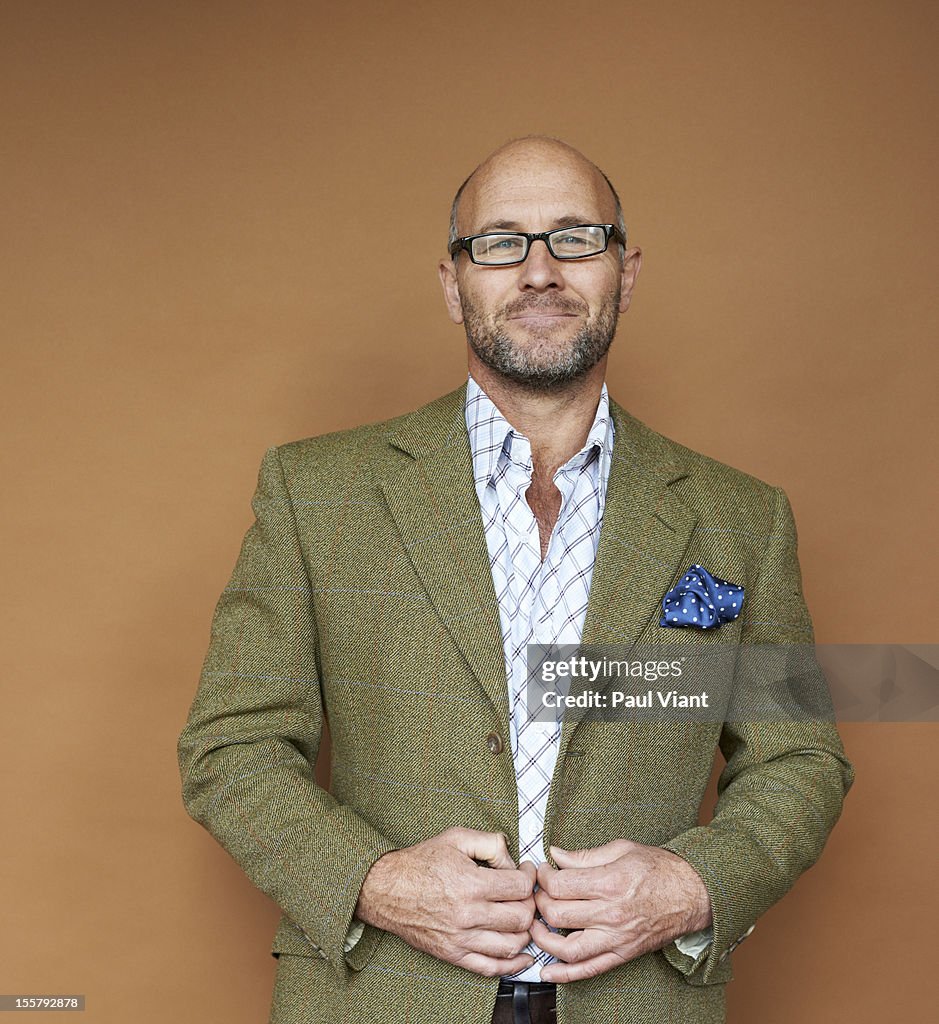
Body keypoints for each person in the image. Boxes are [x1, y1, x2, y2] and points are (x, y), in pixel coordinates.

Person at [177, 136, 854, 1024]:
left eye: (575, 237)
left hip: (638, 1001)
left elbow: (798, 758)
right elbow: (231, 746)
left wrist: (693, 888)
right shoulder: (318, 493)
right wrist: (375, 883)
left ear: (626, 269)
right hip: (381, 996)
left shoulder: (741, 518)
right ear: (453, 283)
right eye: (499, 242)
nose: (540, 271)